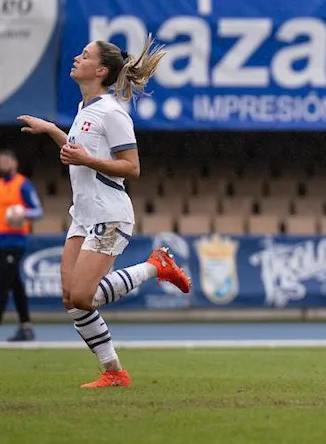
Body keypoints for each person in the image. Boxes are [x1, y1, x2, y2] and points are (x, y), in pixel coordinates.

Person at [18, 36, 191, 388]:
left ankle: (155, 265)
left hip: (109, 213)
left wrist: (88, 159)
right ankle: (113, 372)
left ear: (99, 70)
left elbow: (132, 168)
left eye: (84, 55)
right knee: (71, 298)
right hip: (83, 213)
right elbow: (77, 151)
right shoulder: (86, 110)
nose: (76, 58)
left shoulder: (113, 112)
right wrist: (53, 130)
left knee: (83, 296)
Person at [0, 149, 44, 341]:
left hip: (15, 241)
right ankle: (26, 327)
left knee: (2, 284)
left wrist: (23, 214)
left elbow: (38, 211)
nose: (3, 164)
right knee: (15, 284)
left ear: (14, 163)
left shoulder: (23, 184)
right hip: (1, 240)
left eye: (6, 160)